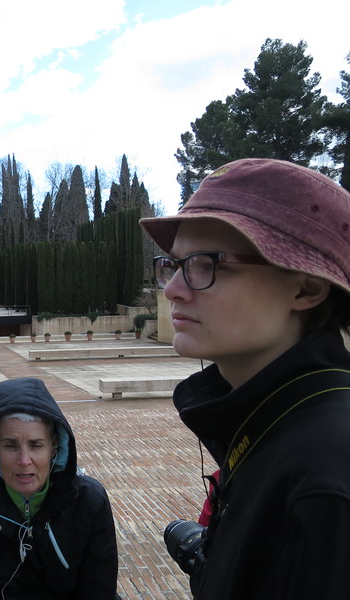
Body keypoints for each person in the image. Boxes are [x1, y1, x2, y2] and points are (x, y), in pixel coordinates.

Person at [140, 157, 350, 599]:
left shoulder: (326, 476)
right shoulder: (273, 423)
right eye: (174, 265)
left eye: (206, 264)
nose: (173, 289)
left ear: (307, 288)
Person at [0, 377, 119, 599]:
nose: (24, 460)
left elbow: (98, 589)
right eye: (10, 445)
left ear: (54, 446)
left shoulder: (88, 500)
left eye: (36, 445)